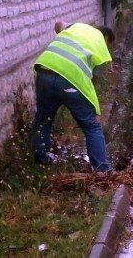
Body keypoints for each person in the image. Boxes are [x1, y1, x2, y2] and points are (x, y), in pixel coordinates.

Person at [31, 21, 115, 172]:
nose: (108, 48)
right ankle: (102, 170)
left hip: (44, 71)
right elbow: (92, 82)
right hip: (69, 81)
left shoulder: (77, 27)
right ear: (106, 38)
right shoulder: (101, 45)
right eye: (109, 45)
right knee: (92, 126)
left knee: (43, 119)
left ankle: (41, 159)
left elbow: (57, 24)